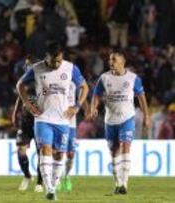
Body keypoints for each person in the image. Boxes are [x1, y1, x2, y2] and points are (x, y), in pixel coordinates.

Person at [16, 43, 89, 201]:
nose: (56, 64)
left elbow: (84, 86)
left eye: (59, 61)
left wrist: (77, 106)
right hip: (43, 119)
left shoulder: (70, 68)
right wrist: (27, 104)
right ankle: (49, 189)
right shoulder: (36, 68)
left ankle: (54, 186)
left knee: (59, 154)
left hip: (63, 121)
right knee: (45, 150)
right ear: (46, 57)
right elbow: (20, 85)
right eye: (53, 61)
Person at [90, 51, 150, 194]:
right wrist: (93, 107)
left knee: (125, 146)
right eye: (110, 60)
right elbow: (96, 95)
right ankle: (117, 183)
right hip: (110, 120)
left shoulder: (133, 78)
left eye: (114, 60)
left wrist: (147, 116)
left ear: (122, 62)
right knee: (114, 152)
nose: (111, 62)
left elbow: (141, 97)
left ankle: (124, 184)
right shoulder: (104, 78)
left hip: (127, 118)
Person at [12, 57, 43, 193]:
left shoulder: (43, 82)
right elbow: (20, 96)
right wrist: (14, 112)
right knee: (21, 151)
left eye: (29, 65)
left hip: (40, 122)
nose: (27, 68)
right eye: (26, 66)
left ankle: (40, 182)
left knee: (41, 153)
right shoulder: (25, 83)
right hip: (24, 122)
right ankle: (27, 176)